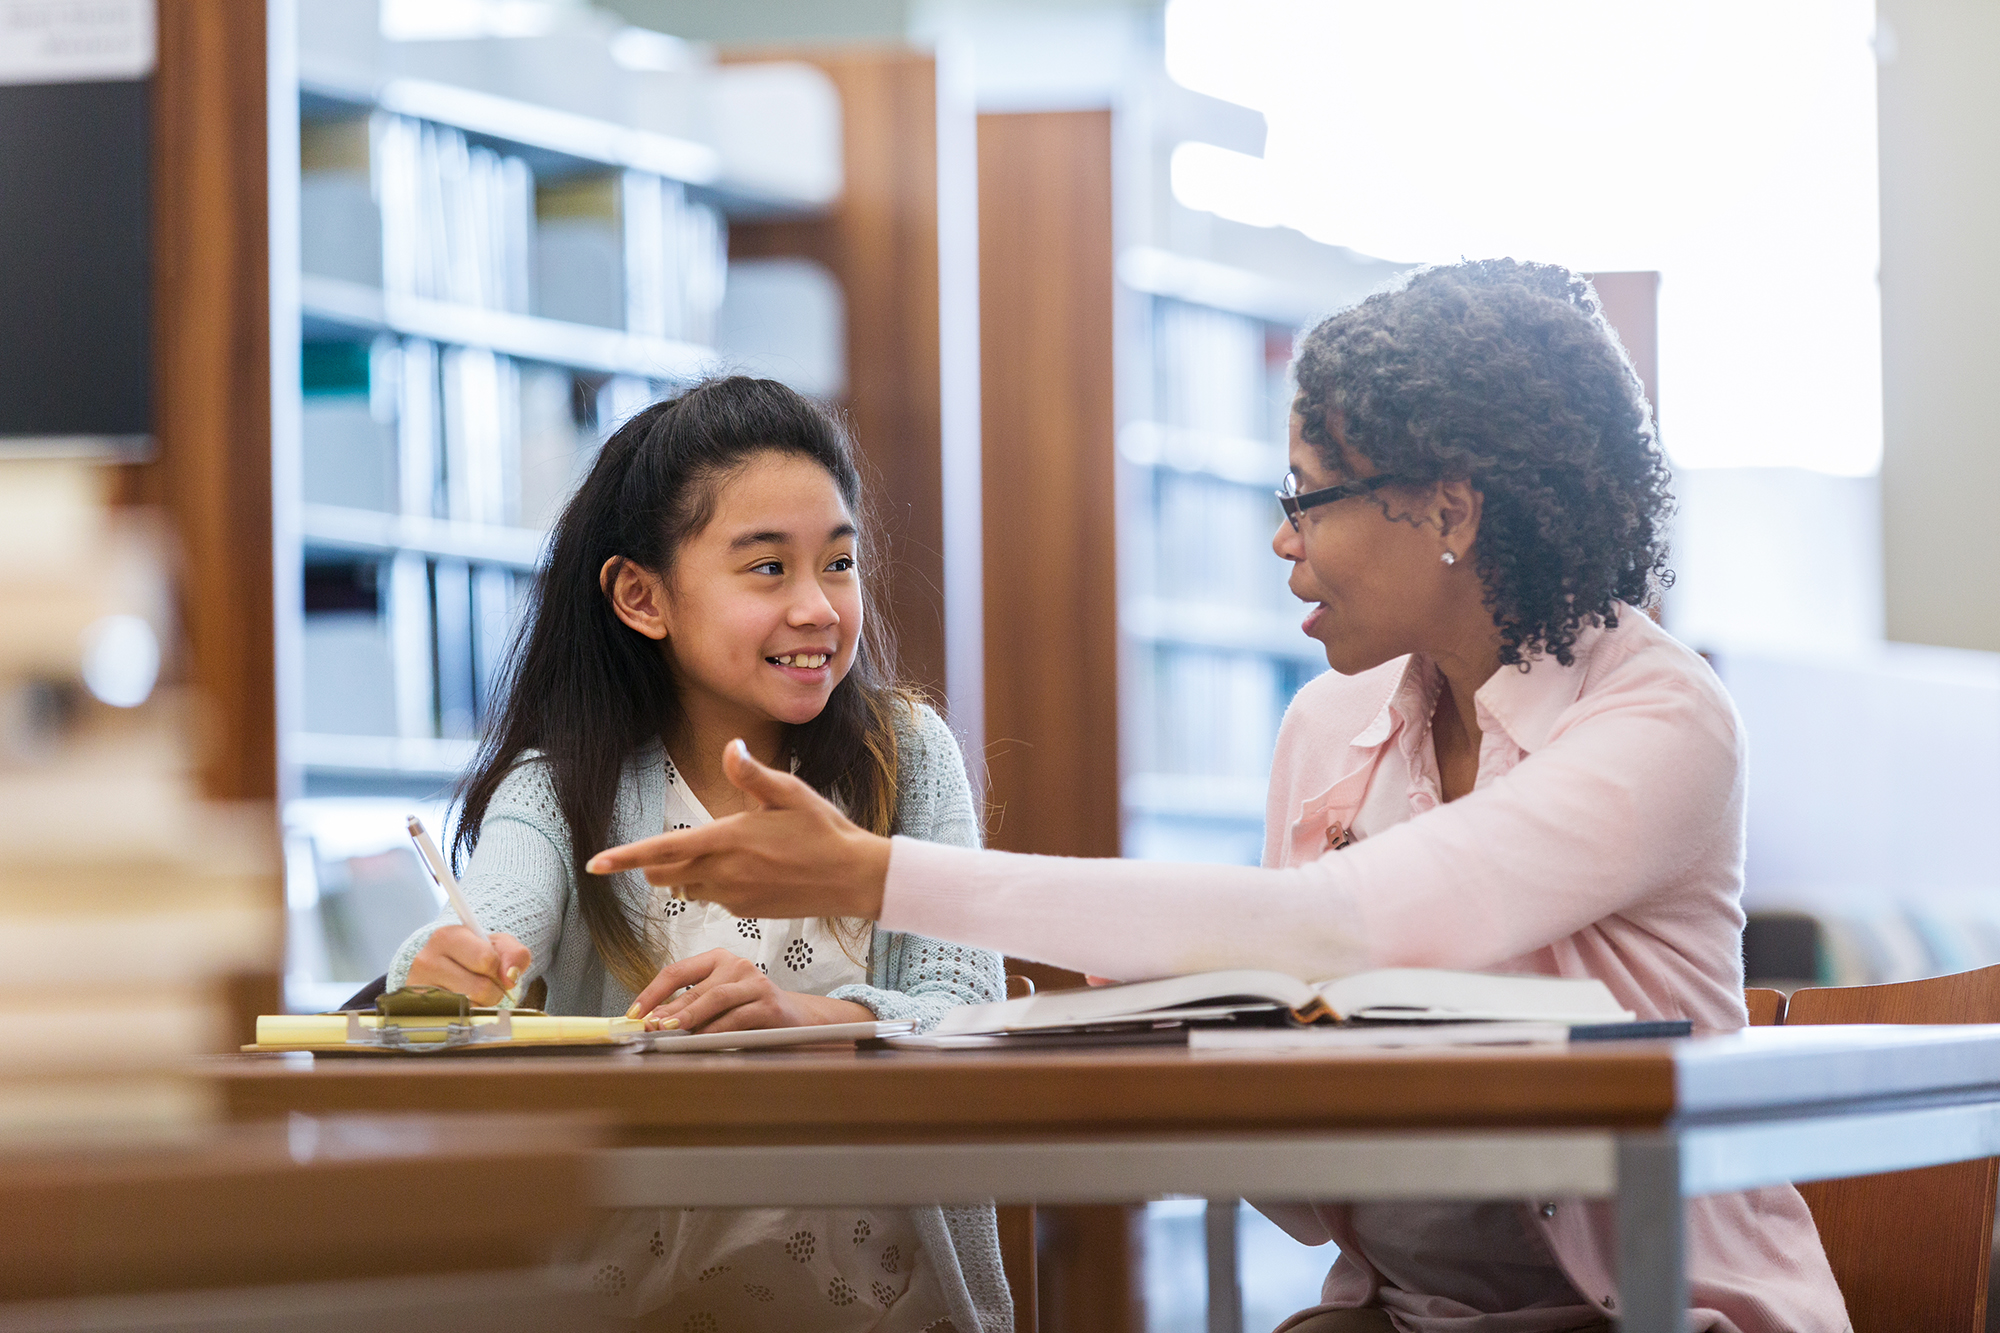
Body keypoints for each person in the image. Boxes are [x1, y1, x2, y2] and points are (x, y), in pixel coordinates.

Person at [587, 262, 1852, 1333]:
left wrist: (871, 872)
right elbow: (1302, 1189)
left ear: (1448, 508)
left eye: (1305, 494)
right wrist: (1181, 1021)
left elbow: (1338, 924)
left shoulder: (1660, 718)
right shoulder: (1330, 726)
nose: (1279, 538)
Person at [386, 376, 1010, 1333]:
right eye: (768, 569)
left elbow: (969, 1011)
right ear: (642, 596)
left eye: (839, 564)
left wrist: (802, 1019)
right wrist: (448, 979)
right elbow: (489, 925)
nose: (818, 609)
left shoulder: (906, 756)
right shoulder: (561, 788)